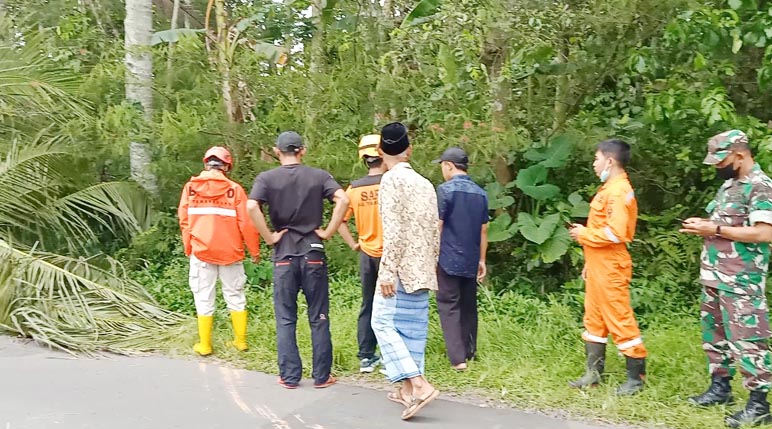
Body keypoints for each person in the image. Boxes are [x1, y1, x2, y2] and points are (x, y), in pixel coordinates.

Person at [680, 130, 772, 428]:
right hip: (716, 276)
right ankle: (720, 388)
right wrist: (707, 225)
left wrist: (714, 230)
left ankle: (759, 404)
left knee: (749, 341)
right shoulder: (729, 186)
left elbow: (763, 232)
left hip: (742, 280)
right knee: (714, 337)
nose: (717, 167)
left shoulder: (760, 187)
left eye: (722, 161)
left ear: (740, 155)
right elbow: (723, 225)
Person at [246, 131, 349, 389]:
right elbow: (343, 199)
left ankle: (290, 376)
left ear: (276, 151)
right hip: (313, 250)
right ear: (302, 151)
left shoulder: (267, 179)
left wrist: (269, 236)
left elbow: (250, 207)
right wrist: (327, 231)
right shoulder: (318, 176)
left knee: (285, 317)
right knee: (319, 316)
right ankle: (322, 376)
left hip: (283, 253)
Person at [371, 122, 441, 420]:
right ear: (409, 150)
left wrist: (386, 271)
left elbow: (394, 230)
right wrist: (430, 263)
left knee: (382, 323)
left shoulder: (390, 181)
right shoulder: (425, 183)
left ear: (380, 151)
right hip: (423, 266)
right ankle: (406, 391)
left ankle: (420, 385)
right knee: (412, 331)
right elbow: (435, 229)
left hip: (399, 268)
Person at [568, 139, 647, 396]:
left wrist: (584, 234)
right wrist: (589, 263)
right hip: (599, 265)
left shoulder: (618, 191)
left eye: (596, 158)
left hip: (611, 267)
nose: (594, 164)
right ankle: (593, 374)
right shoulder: (608, 188)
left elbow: (616, 233)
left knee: (620, 319)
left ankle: (636, 379)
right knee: (594, 320)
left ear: (610, 161)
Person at [177, 146, 261, 356]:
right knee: (235, 294)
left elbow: (184, 221)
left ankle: (205, 345)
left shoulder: (190, 188)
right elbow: (247, 224)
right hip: (230, 252)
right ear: (227, 166)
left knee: (203, 296)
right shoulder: (235, 190)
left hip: (201, 251)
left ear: (206, 163)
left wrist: (189, 246)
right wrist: (254, 250)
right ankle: (240, 341)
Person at [432, 147, 488, 370]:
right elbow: (484, 230)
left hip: (447, 257)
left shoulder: (445, 191)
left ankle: (458, 359)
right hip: (471, 258)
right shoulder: (481, 193)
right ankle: (470, 351)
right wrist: (482, 260)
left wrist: (432, 254)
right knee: (468, 306)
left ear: (448, 165)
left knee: (448, 306)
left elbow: (438, 224)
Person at [337, 134, 387, 373]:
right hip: (390, 255)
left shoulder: (354, 189)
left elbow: (339, 221)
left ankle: (366, 356)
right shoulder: (392, 183)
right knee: (393, 305)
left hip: (366, 254)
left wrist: (354, 244)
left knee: (368, 303)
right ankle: (392, 357)